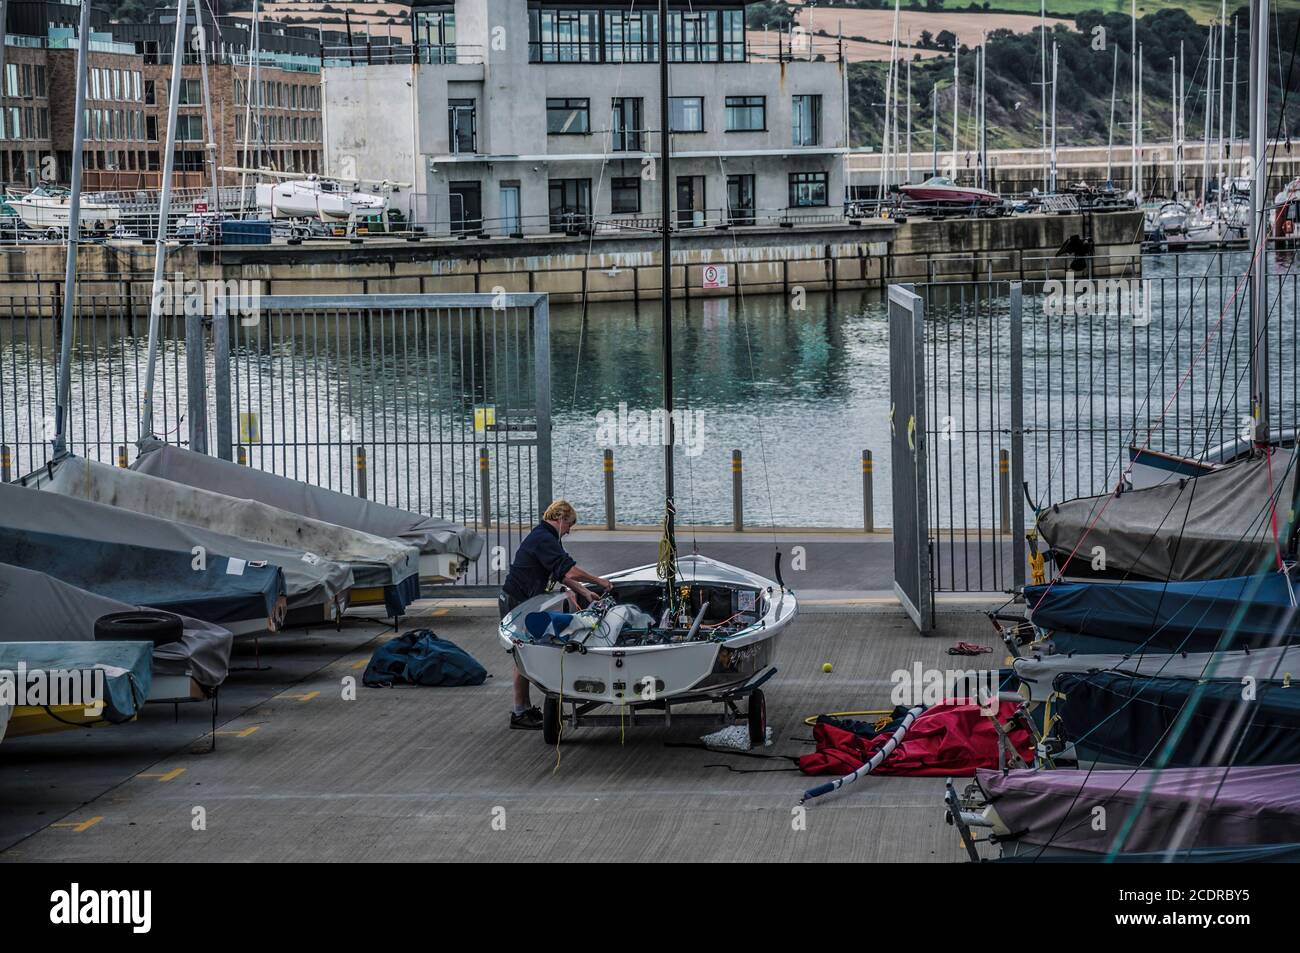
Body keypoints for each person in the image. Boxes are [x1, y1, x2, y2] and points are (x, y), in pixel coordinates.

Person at [499, 500, 611, 729]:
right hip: (517, 601)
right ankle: (519, 713)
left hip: (522, 599)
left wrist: (586, 592)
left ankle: (524, 710)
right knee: (524, 653)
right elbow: (569, 569)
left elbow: (561, 573)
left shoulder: (546, 537)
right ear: (560, 519)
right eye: (570, 524)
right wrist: (598, 580)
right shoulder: (544, 538)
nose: (570, 530)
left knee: (524, 653)